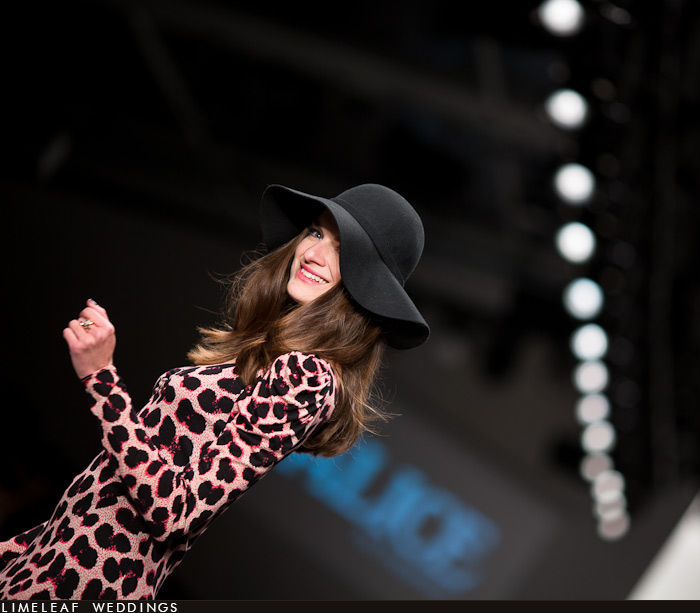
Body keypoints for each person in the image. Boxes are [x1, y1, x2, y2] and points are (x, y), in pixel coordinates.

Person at [0, 183, 429, 600]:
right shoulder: (268, 357)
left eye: (341, 249)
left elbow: (176, 514)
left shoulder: (308, 376)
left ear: (368, 286)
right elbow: (104, 498)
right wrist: (24, 555)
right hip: (56, 568)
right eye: (316, 232)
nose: (313, 253)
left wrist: (102, 380)